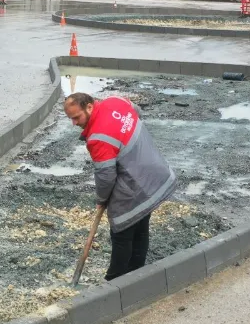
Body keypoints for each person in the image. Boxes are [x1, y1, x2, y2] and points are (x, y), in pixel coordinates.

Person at [63, 92, 177, 281]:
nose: (74, 123)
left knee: (122, 229)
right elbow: (137, 112)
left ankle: (114, 281)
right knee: (141, 226)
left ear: (89, 107)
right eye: (71, 119)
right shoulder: (116, 101)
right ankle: (136, 276)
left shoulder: (98, 138)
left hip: (137, 181)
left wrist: (101, 199)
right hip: (154, 171)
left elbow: (106, 177)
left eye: (76, 117)